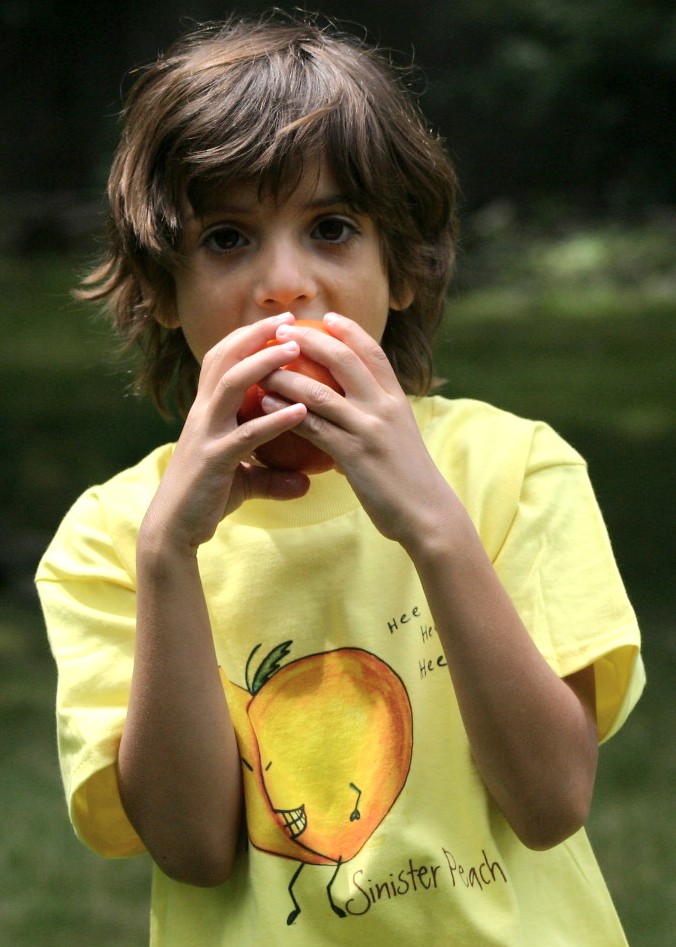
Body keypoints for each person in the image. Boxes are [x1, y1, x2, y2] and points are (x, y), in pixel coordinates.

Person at [36, 13, 645, 946]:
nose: (285, 283)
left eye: (331, 228)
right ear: (161, 289)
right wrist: (168, 556)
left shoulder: (517, 471)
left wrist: (434, 526)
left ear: (401, 268)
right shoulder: (115, 536)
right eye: (227, 238)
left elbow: (552, 799)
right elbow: (192, 846)